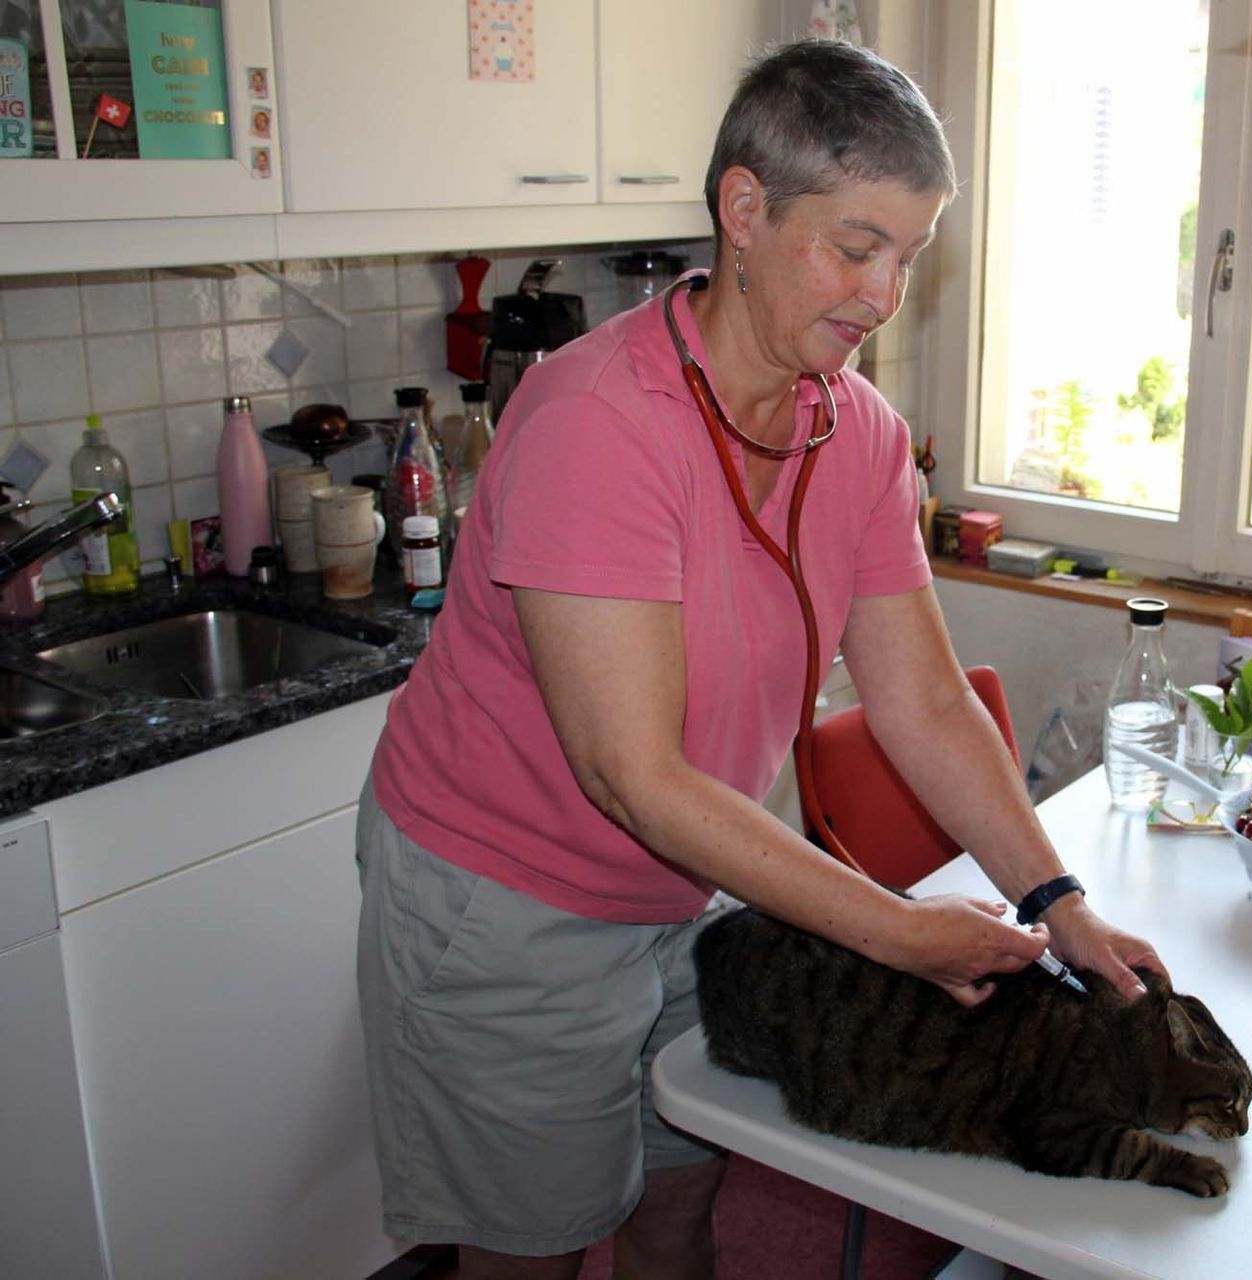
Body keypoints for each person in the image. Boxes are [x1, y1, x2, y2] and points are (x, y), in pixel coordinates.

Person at [354, 38, 1164, 1280]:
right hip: (507, 905)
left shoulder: (861, 435)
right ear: (744, 208)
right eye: (856, 246)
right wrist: (897, 932)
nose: (884, 294)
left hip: (691, 887)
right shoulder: (596, 424)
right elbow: (631, 773)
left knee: (680, 1209)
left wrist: (1057, 900)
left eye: (910, 255)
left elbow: (925, 699)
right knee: (535, 1257)